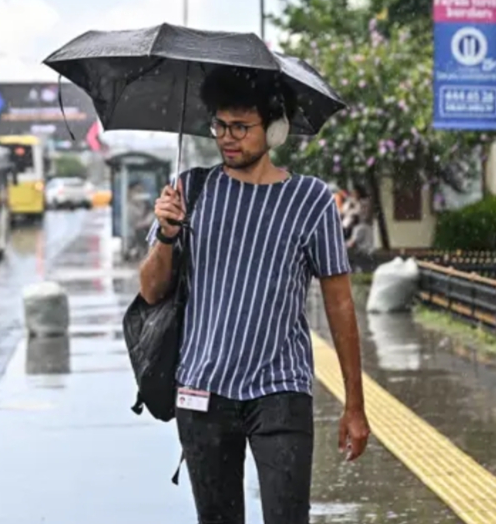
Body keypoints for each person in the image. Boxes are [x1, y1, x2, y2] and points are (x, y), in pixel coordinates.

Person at [138, 69, 370, 524]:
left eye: (241, 127)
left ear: (275, 128)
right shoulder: (191, 190)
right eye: (220, 125)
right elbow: (150, 290)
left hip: (280, 389)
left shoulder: (311, 200)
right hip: (202, 390)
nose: (227, 138)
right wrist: (166, 235)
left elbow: (339, 304)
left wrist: (355, 404)